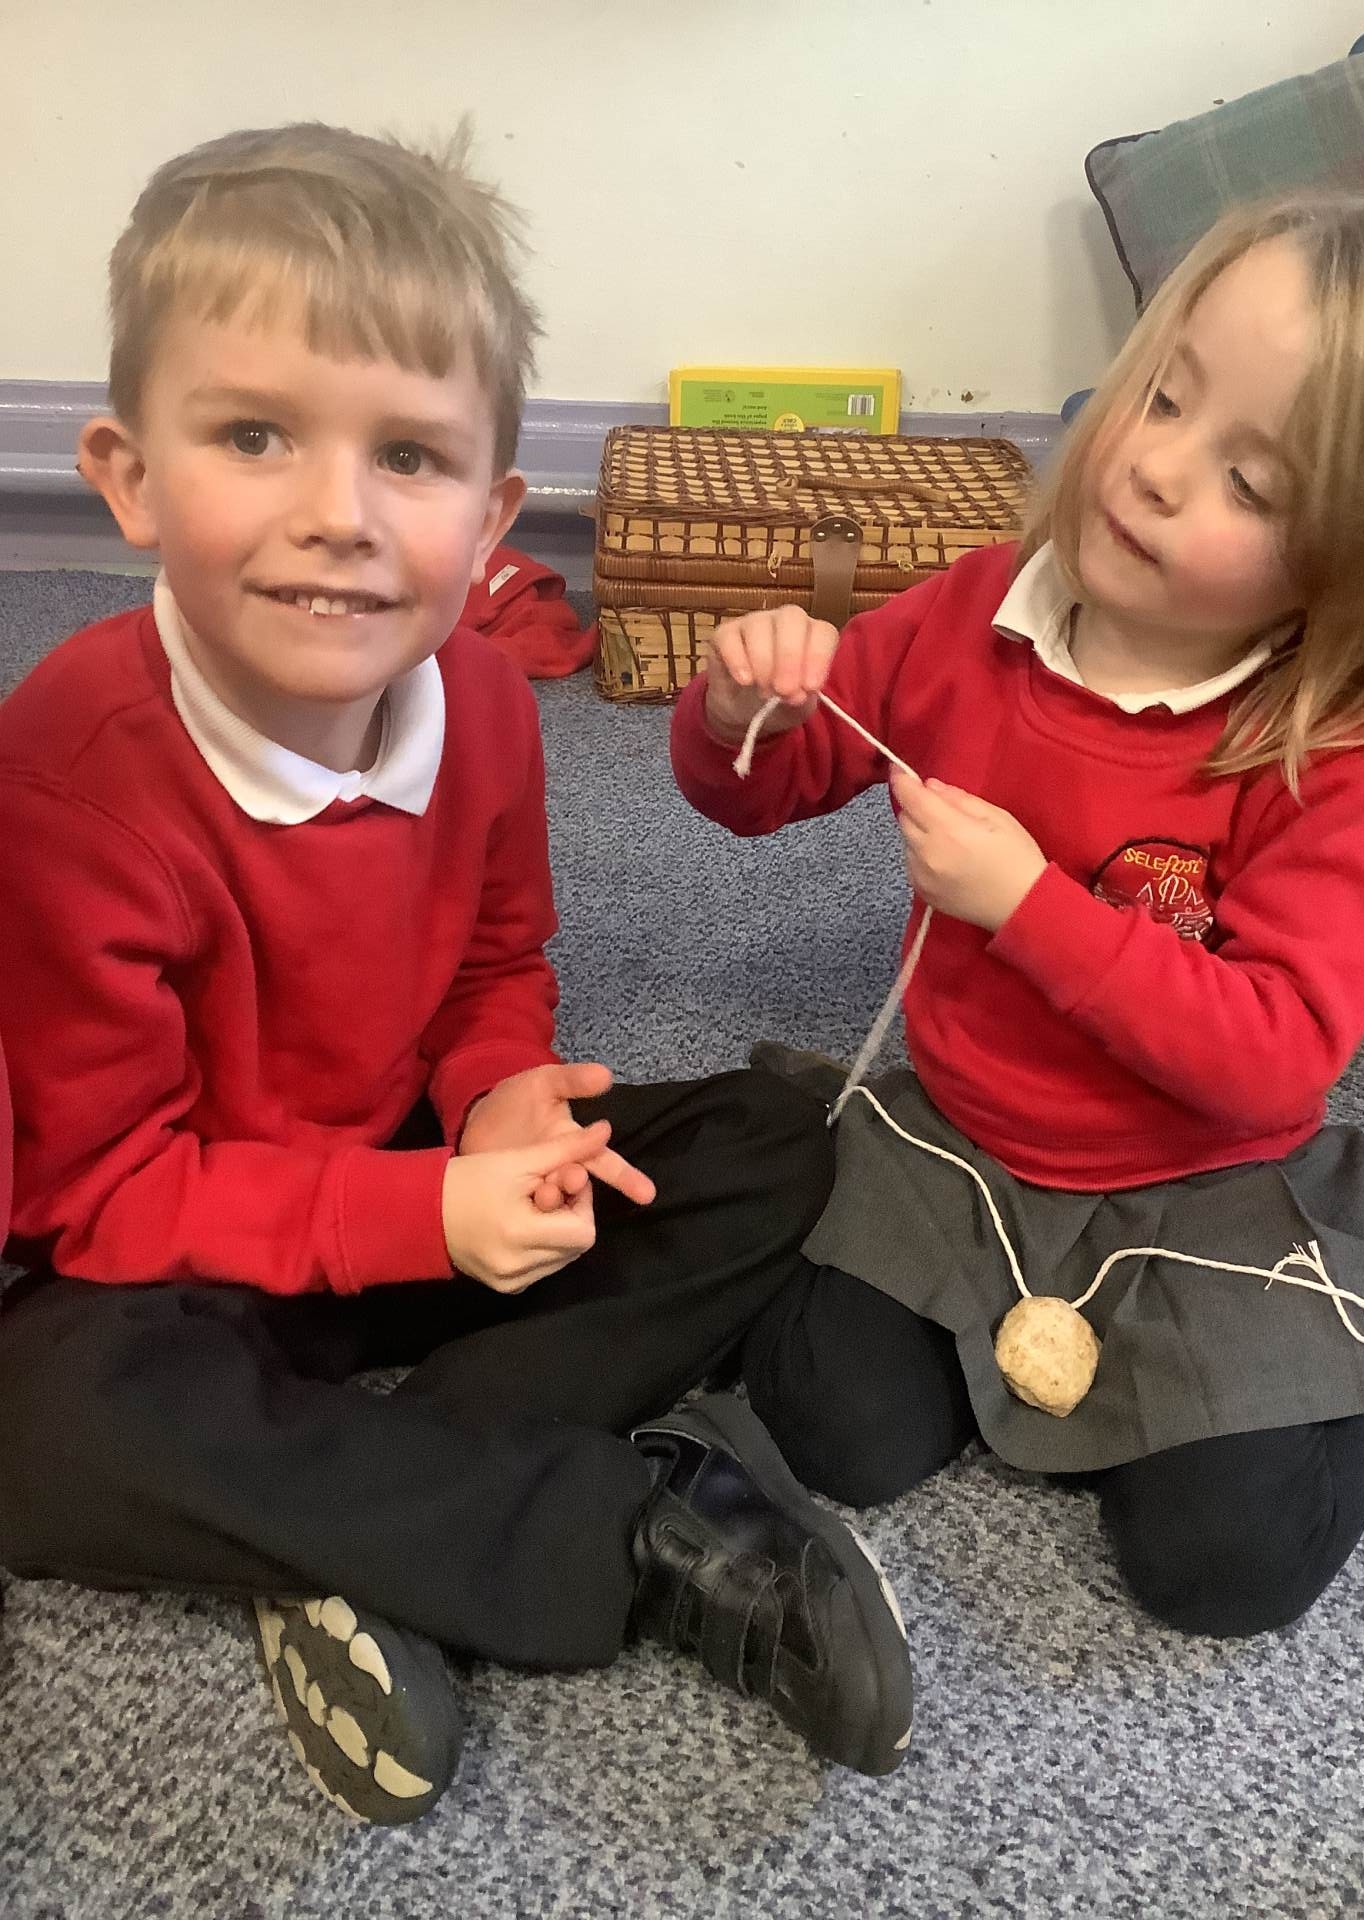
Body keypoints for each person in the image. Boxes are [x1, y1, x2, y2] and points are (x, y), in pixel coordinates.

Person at [0, 122, 911, 1824]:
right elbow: (99, 1195)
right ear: (127, 476)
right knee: (41, 1415)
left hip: (415, 1183)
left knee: (771, 1147)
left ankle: (354, 1517)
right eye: (254, 435)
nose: (336, 516)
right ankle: (619, 1529)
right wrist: (420, 1217)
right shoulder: (68, 771)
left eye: (408, 456)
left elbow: (499, 959)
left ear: (491, 515)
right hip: (187, 1248)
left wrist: (498, 1100)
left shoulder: (486, 700)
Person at [672, 195, 1364, 1639]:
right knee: (829, 1424)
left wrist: (1030, 906)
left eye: (1249, 482)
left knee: (1224, 1568)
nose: (1152, 467)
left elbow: (1274, 1054)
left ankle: (1353, 1271)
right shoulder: (976, 613)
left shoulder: (1332, 759)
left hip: (1206, 1172)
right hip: (972, 1135)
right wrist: (737, 711)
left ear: (1354, 563)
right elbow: (765, 791)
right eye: (1164, 397)